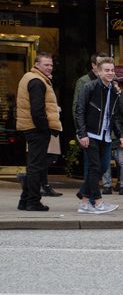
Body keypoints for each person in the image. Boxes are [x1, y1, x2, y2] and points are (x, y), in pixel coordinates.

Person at [74, 57, 123, 214]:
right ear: (99, 72)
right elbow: (79, 111)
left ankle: (84, 199)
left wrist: (120, 134)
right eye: (106, 70)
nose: (110, 73)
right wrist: (82, 134)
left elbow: (114, 115)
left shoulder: (114, 90)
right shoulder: (89, 87)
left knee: (102, 167)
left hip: (106, 135)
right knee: (95, 167)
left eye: (112, 70)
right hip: (90, 134)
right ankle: (98, 202)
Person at [16, 52, 62, 212]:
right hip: (36, 128)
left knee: (34, 165)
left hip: (31, 127)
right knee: (37, 167)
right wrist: (44, 128)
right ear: (37, 64)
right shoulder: (37, 81)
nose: (49, 67)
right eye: (46, 64)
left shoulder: (30, 77)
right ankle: (33, 202)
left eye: (51, 64)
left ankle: (24, 201)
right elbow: (37, 110)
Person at [101, 78, 123, 195]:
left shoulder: (120, 96)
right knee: (106, 161)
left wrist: (119, 94)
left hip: (118, 133)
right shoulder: (104, 94)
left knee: (122, 161)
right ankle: (107, 185)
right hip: (106, 132)